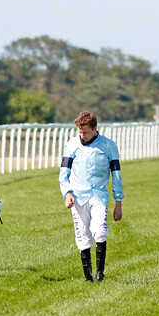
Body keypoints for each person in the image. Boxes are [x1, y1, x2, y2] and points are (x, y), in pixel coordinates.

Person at [58, 112, 123, 283]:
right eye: (80, 132)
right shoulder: (71, 145)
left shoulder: (109, 145)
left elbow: (116, 175)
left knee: (100, 232)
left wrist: (118, 202)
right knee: (83, 237)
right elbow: (63, 174)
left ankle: (100, 273)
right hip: (78, 198)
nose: (83, 136)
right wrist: (68, 193)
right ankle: (88, 277)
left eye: (86, 132)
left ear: (95, 128)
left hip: (99, 196)